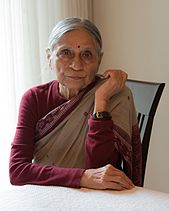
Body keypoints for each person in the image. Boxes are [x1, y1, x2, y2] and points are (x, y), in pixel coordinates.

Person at [9, 17, 142, 191]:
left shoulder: (114, 95)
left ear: (99, 60)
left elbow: (101, 171)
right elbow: (17, 170)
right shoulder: (34, 99)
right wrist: (81, 177)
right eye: (66, 53)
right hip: (47, 194)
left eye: (87, 54)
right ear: (49, 57)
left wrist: (100, 101)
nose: (77, 65)